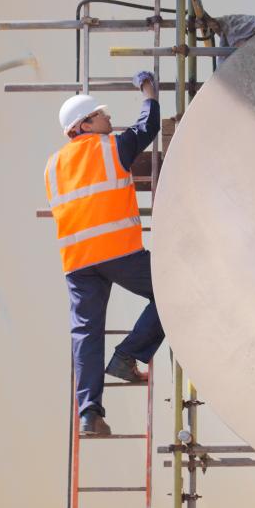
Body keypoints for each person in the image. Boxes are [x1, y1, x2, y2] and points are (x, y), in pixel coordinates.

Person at [47, 72, 164, 437]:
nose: (109, 119)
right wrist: (149, 91)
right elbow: (148, 128)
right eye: (101, 115)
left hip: (77, 262)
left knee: (86, 333)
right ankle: (128, 355)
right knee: (172, 291)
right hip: (116, 250)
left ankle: (89, 415)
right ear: (83, 125)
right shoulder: (109, 147)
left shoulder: (53, 165)